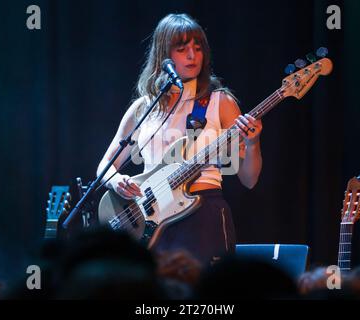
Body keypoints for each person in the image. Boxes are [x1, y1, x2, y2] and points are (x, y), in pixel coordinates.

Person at [97, 13, 263, 267]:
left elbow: (249, 180)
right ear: (164, 55)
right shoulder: (143, 109)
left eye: (198, 48)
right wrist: (116, 181)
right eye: (182, 48)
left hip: (203, 213)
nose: (192, 56)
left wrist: (253, 142)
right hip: (150, 220)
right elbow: (106, 166)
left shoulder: (220, 103)